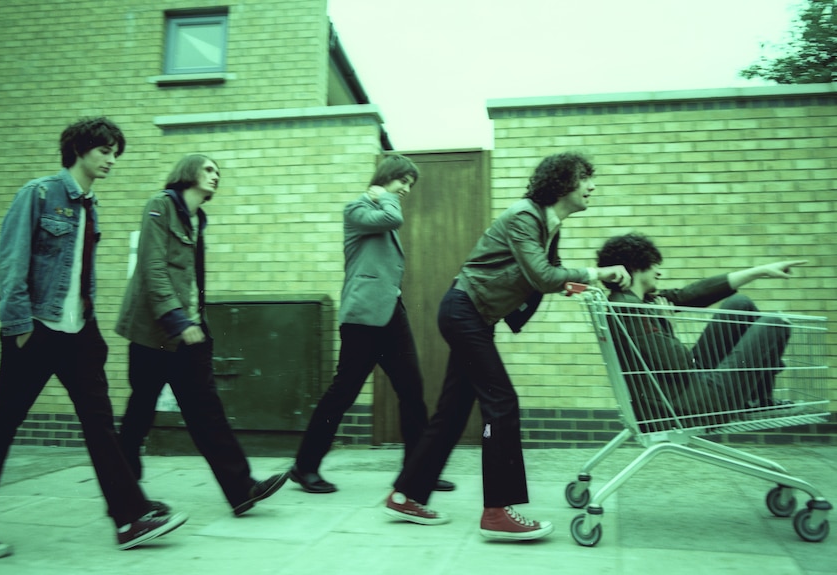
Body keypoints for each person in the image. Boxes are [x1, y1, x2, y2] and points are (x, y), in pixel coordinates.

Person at [385, 152, 630, 541]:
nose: (592, 186)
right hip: (464, 310)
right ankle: (497, 511)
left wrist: (574, 283)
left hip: (474, 316)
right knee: (501, 403)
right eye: (585, 178)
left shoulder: (549, 226)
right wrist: (593, 272)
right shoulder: (524, 216)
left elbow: (546, 275)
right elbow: (542, 273)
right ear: (563, 182)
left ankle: (405, 494)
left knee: (452, 411)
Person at [0, 117, 188, 561]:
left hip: (77, 335)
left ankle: (130, 518)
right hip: (34, 330)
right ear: (79, 149)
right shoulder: (38, 194)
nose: (112, 160)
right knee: (0, 427)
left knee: (100, 426)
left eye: (115, 153)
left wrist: (90, 330)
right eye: (105, 150)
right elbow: (9, 266)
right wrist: (18, 327)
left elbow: (79, 275)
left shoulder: (91, 205)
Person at [116, 154, 287, 516]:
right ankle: (125, 496)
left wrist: (197, 324)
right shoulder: (159, 206)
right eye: (208, 169)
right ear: (187, 172)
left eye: (218, 172)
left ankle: (242, 490)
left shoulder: (197, 220)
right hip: (153, 332)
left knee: (207, 412)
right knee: (139, 415)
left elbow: (191, 281)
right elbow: (153, 269)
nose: (215, 176)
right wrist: (179, 320)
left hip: (189, 334)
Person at [288, 155, 454, 494]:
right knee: (342, 394)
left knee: (412, 391)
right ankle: (304, 467)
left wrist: (387, 194)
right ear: (386, 177)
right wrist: (384, 195)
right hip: (363, 317)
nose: (407, 189)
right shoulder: (357, 209)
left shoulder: (379, 208)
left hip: (391, 313)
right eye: (403, 181)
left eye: (410, 184)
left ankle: (419, 471)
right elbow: (392, 218)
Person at [595, 232, 806, 425]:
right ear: (637, 266)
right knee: (775, 323)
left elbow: (692, 294)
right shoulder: (629, 310)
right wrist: (668, 325)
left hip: (681, 389)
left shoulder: (638, 301)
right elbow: (678, 364)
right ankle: (758, 398)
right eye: (654, 265)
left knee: (740, 304)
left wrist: (759, 272)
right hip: (683, 406)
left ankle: (760, 399)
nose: (659, 272)